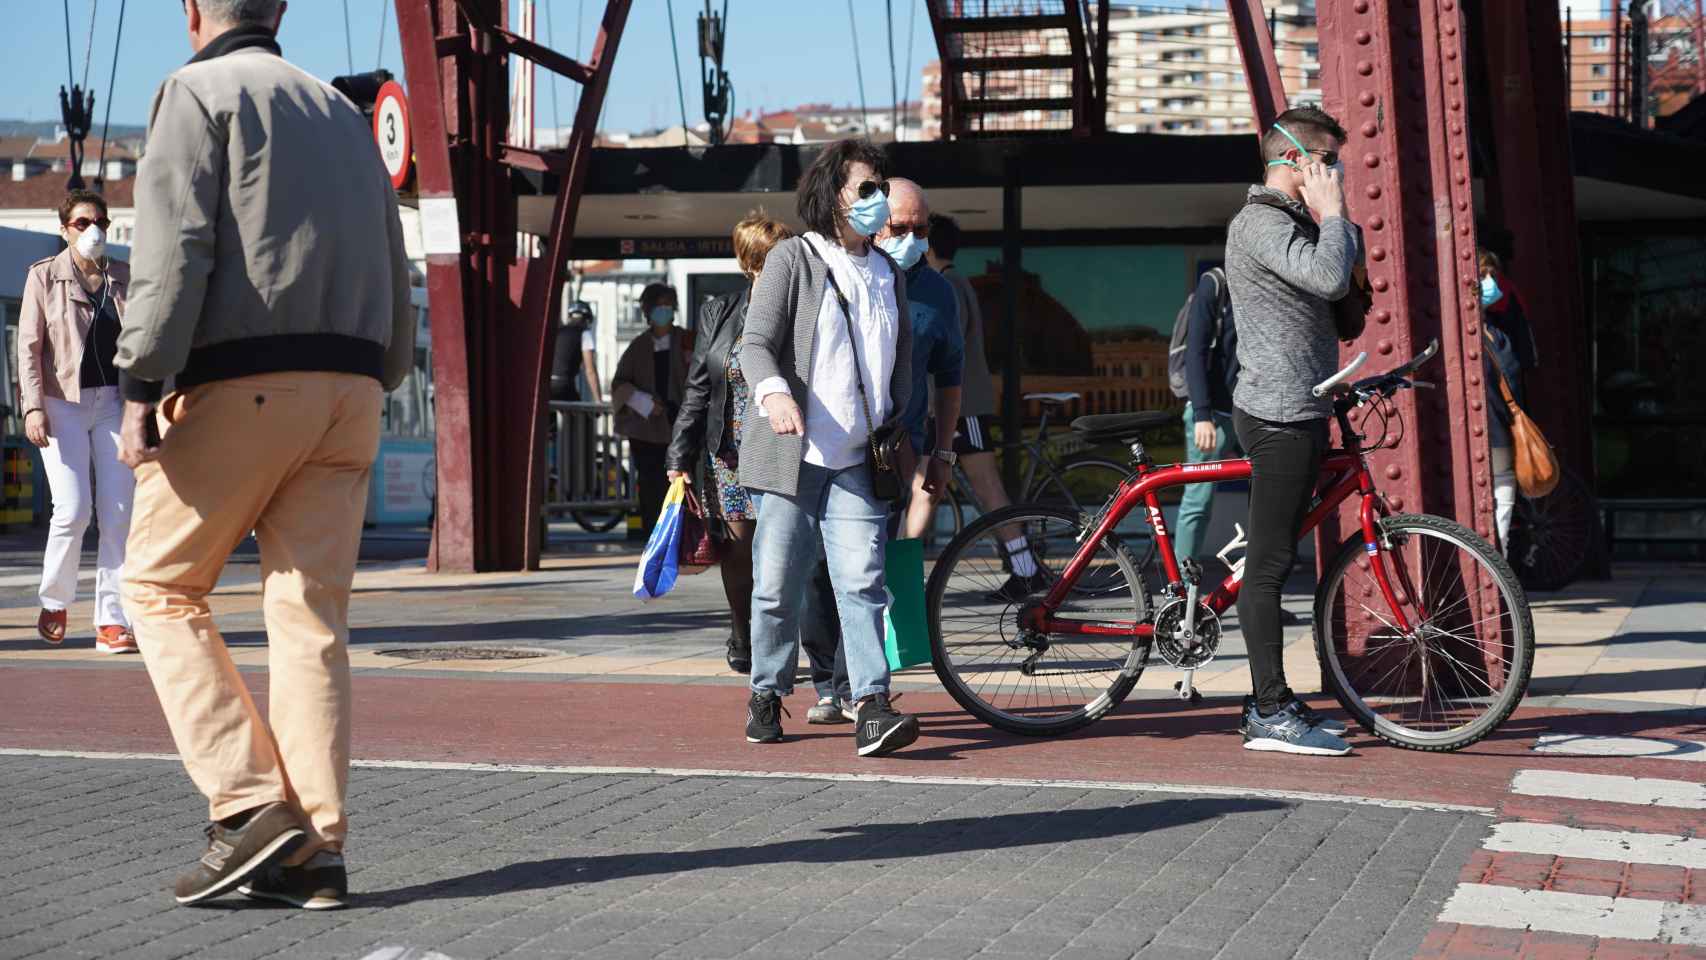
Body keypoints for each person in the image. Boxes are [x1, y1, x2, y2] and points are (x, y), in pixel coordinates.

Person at [113, 0, 415, 908]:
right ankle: (316, 850)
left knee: (158, 585)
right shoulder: (340, 111)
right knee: (309, 617)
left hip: (245, 378)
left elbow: (174, 255)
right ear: (278, 10)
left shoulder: (198, 92)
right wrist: (383, 368)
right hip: (354, 386)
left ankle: (247, 805)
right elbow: (392, 255)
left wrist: (139, 384)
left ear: (193, 10)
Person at [739, 137, 920, 757]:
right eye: (865, 189)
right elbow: (755, 342)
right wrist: (775, 396)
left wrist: (903, 443)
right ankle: (766, 691)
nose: (877, 200)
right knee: (775, 586)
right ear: (832, 195)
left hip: (859, 462)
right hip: (795, 458)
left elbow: (900, 372)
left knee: (862, 581)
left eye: (880, 188)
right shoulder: (795, 258)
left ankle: (871, 703)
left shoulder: (889, 273)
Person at [1225, 106, 1359, 756]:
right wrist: (1334, 217)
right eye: (1328, 161)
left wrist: (1335, 220)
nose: (1337, 173)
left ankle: (1273, 701)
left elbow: (1347, 309)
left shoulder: (1297, 226)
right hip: (1276, 414)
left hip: (1303, 410)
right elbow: (1329, 275)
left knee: (1273, 550)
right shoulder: (1257, 223)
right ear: (1297, 163)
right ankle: (1268, 710)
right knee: (1270, 563)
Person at [666, 213, 794, 676]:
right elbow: (699, 388)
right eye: (765, 260)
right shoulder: (720, 312)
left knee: (785, 551)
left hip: (786, 446)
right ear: (749, 263)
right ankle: (745, 633)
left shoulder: (801, 308)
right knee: (740, 551)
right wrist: (678, 456)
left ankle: (785, 639)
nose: (773, 270)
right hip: (731, 452)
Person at [17, 191, 138, 655]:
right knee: (72, 509)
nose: (95, 230)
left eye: (101, 221)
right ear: (65, 228)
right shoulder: (43, 277)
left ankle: (112, 621)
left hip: (113, 402)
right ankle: (55, 600)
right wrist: (32, 407)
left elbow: (144, 339)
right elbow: (28, 348)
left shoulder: (122, 277)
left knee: (119, 513)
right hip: (60, 402)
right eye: (84, 221)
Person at [920, 214, 1041, 602]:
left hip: (960, 406)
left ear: (929, 246)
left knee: (986, 488)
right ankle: (1025, 570)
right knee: (927, 489)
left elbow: (941, 349)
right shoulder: (955, 283)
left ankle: (1026, 570)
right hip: (954, 406)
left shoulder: (947, 285)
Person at [878, 180, 964, 543]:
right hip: (830, 450)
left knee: (873, 570)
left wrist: (942, 454)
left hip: (894, 455)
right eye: (899, 229)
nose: (910, 239)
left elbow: (949, 377)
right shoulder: (843, 276)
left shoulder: (938, 292)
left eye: (921, 229)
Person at [1175, 266, 1239, 566]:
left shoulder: (1263, 285)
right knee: (1198, 502)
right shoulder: (1215, 284)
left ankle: (1258, 596)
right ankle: (1182, 593)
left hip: (1252, 413)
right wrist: (1201, 413)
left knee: (1272, 500)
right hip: (1213, 414)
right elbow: (1195, 352)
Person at [612, 283, 688, 537]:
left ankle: (683, 534)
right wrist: (645, 404)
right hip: (646, 430)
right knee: (650, 483)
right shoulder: (638, 346)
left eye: (668, 305)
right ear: (647, 310)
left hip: (682, 425)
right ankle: (652, 532)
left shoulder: (688, 339)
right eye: (658, 306)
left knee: (683, 482)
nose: (663, 311)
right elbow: (620, 384)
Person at [1480, 250, 1528, 553]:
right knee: (1503, 489)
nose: (1490, 283)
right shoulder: (1494, 335)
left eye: (1492, 276)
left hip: (1488, 427)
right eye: (1483, 275)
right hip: (1498, 427)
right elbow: (1513, 375)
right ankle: (1499, 562)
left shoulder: (1486, 332)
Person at [550, 299, 600, 402]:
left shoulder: (559, 332)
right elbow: (590, 370)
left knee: (548, 417)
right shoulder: (585, 334)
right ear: (586, 320)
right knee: (582, 417)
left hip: (548, 385)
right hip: (564, 385)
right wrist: (598, 400)